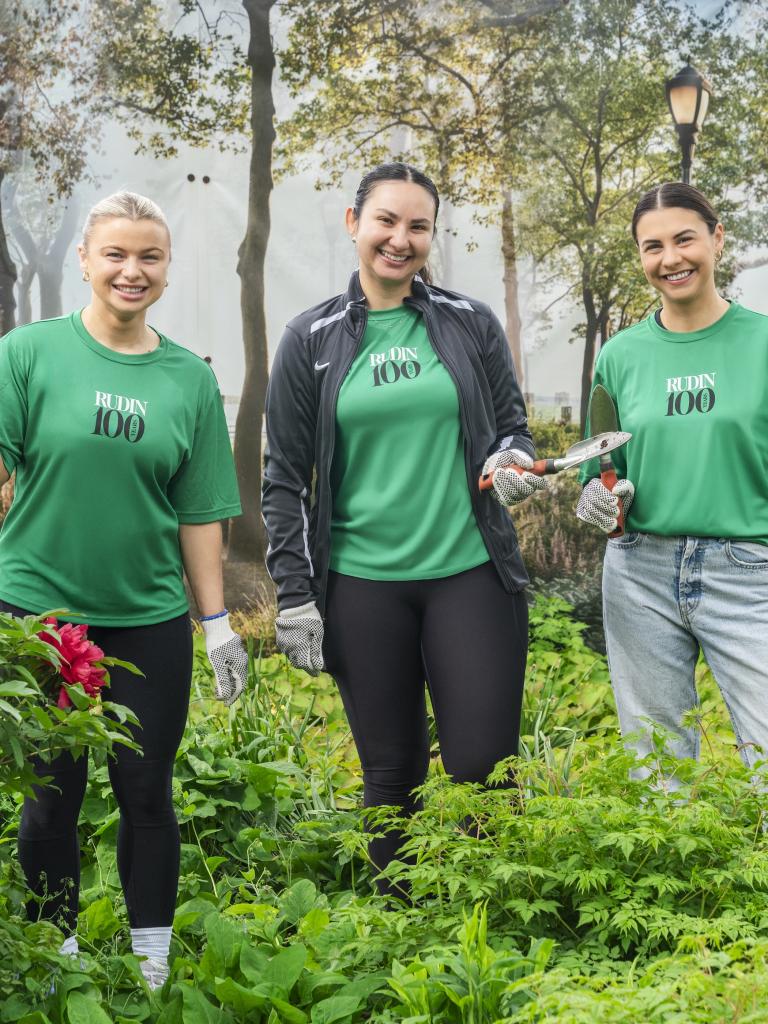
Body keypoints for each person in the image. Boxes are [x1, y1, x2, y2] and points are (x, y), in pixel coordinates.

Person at [262, 162, 545, 897]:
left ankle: (488, 919)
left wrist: (513, 458)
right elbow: (284, 479)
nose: (401, 238)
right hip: (362, 585)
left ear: (431, 236)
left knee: (484, 765)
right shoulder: (310, 338)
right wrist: (295, 594)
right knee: (392, 772)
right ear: (354, 223)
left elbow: (511, 427)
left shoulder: (469, 321)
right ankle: (403, 928)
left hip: (469, 574)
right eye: (386, 220)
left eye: (418, 225)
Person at [0, 191, 247, 988]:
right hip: (40, 613)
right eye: (115, 254)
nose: (131, 271)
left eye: (149, 256)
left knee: (147, 789)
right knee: (50, 795)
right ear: (85, 260)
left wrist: (216, 623)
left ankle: (151, 968)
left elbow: (201, 515)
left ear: (167, 269)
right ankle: (55, 961)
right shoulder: (28, 355)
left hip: (148, 620)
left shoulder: (189, 380)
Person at [577, 181, 768, 783]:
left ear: (716, 238)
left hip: (750, 571)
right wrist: (603, 498)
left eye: (685, 238)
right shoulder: (620, 356)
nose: (670, 259)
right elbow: (603, 469)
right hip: (640, 573)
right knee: (657, 773)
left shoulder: (762, 342)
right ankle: (680, 880)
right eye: (652, 246)